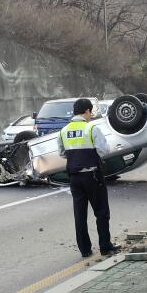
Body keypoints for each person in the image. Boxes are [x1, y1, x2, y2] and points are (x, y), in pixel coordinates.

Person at [58, 98, 120, 257]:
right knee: (101, 212)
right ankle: (105, 246)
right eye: (90, 112)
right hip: (93, 176)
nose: (90, 115)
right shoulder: (91, 128)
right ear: (86, 111)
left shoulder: (64, 131)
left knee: (80, 215)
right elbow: (103, 150)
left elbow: (62, 153)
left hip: (74, 178)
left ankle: (85, 250)